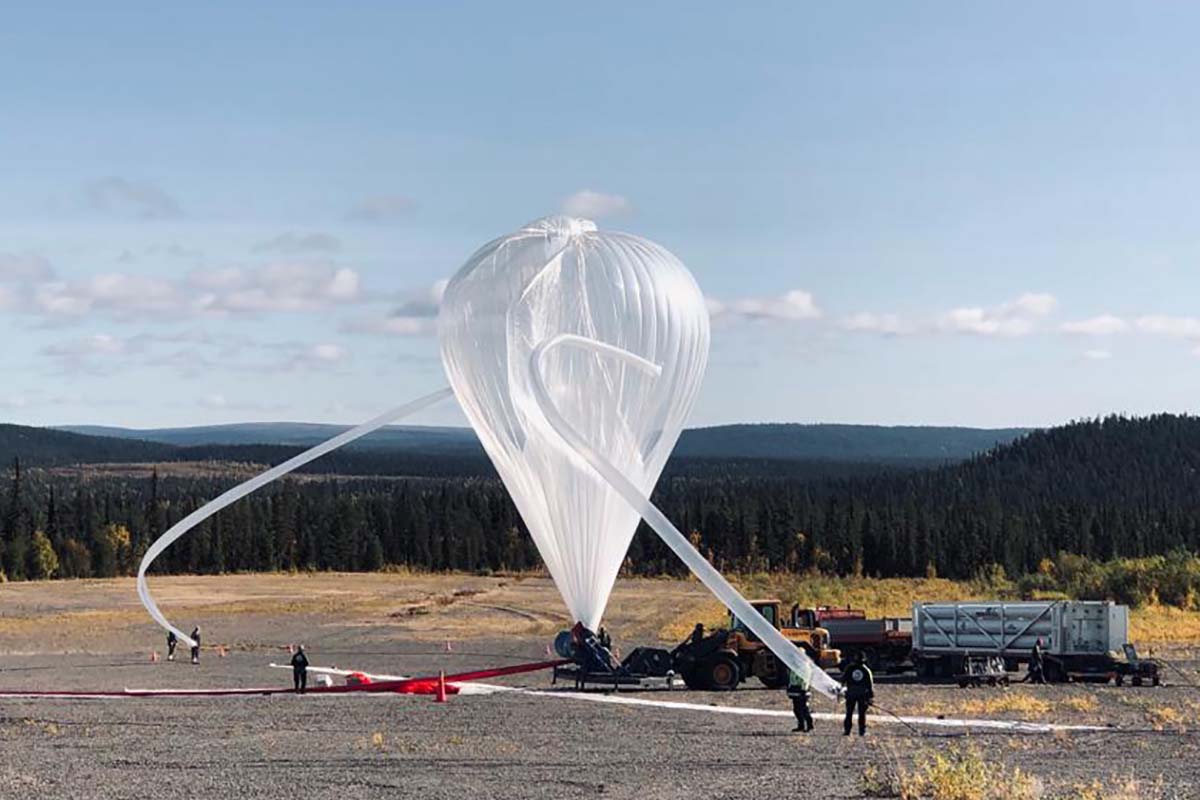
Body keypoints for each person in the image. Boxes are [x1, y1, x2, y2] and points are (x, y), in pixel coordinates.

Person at [841, 651, 874, 737]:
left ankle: (847, 731)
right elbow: (870, 685)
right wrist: (870, 697)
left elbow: (843, 680)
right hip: (862, 694)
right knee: (862, 714)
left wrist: (843, 690)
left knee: (849, 713)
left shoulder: (849, 668)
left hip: (851, 693)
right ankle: (862, 731)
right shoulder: (866, 670)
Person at [787, 667, 814, 733]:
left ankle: (809, 724)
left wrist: (803, 689)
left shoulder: (805, 667)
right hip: (795, 689)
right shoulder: (794, 666)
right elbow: (792, 677)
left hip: (802, 691)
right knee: (796, 709)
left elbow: (805, 679)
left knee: (804, 709)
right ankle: (801, 725)